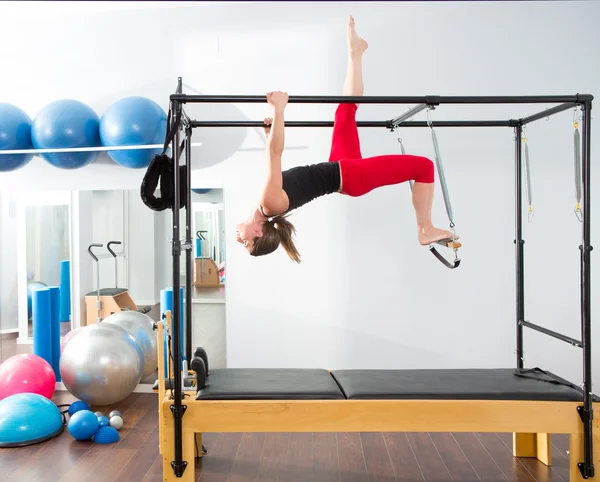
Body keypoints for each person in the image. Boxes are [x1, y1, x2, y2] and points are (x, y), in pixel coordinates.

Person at [235, 15, 459, 263]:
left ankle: (356, 52)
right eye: (245, 242)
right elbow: (276, 155)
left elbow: (272, 162)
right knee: (424, 167)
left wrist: (270, 132)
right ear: (258, 231)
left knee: (345, 110)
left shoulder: (266, 204)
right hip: (352, 176)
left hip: (341, 169)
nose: (238, 239)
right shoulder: (269, 205)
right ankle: (424, 229)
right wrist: (279, 110)